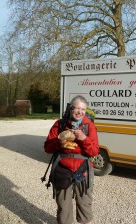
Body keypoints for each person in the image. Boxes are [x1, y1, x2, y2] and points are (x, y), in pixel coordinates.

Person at [44, 95, 99, 224]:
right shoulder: (60, 124)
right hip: (63, 169)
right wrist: (60, 143)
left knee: (84, 201)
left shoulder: (89, 125)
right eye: (77, 108)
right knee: (63, 204)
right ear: (70, 109)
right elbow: (47, 148)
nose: (80, 112)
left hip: (83, 169)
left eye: (83, 109)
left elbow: (94, 151)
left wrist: (84, 139)